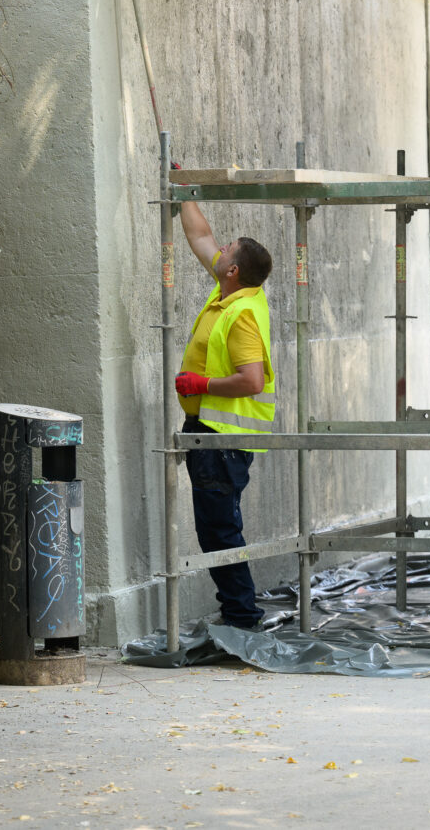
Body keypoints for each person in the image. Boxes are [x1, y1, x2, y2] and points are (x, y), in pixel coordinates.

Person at [174, 195, 276, 630]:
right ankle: (238, 612)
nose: (220, 250)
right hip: (209, 432)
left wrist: (202, 385)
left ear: (233, 270)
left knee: (219, 530)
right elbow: (200, 235)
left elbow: (252, 380)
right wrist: (183, 193)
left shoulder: (242, 315)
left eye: (228, 249)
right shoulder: (229, 293)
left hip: (223, 439)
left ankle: (242, 617)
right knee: (216, 528)